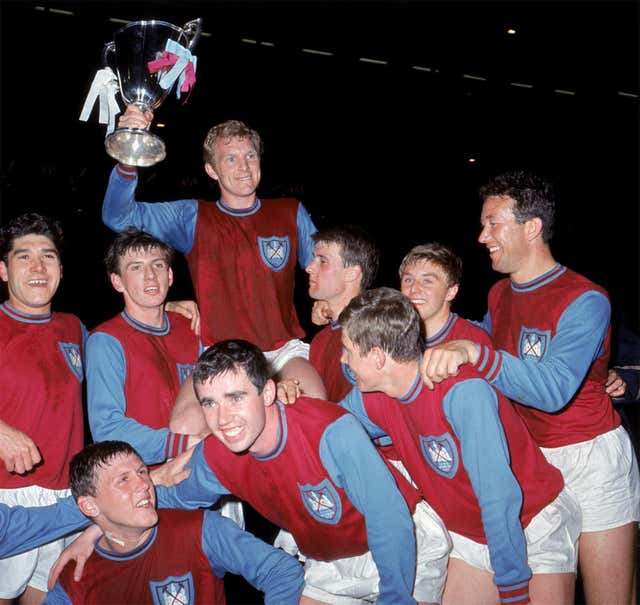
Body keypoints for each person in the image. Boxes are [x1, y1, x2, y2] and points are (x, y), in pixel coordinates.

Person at [420, 170, 640, 604]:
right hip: (531, 466)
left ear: (532, 227)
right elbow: (465, 341)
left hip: (591, 461)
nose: (482, 236)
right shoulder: (499, 295)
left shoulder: (586, 298)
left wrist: (475, 355)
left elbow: (553, 388)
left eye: (492, 223)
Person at [158, 339, 451, 605]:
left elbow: (388, 517)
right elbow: (170, 499)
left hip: (403, 543)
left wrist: (397, 597)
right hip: (329, 561)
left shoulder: (330, 431)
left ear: (268, 391)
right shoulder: (217, 457)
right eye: (210, 403)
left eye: (236, 397)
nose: (222, 419)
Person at [339, 287, 581, 605]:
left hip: (532, 523)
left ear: (377, 357)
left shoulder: (463, 393)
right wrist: (286, 397)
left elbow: (498, 496)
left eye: (347, 350)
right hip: (470, 535)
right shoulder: (370, 397)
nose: (343, 360)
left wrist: (513, 587)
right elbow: (323, 431)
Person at [102, 107, 325, 398]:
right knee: (185, 425)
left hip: (282, 352)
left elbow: (324, 268)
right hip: (222, 355)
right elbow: (118, 217)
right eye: (230, 158)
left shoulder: (290, 212)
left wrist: (325, 300)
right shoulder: (192, 217)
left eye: (250, 156)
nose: (243, 167)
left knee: (314, 406)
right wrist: (128, 155)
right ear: (211, 169)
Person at [43, 440, 304, 604]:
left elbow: (283, 572)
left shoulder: (200, 530)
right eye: (124, 480)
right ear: (89, 505)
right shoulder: (77, 576)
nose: (144, 485)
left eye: (142, 472)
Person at [0, 213, 86, 605]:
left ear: (61, 270)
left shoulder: (74, 329)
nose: (38, 267)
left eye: (48, 257)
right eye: (24, 256)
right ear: (3, 270)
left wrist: (168, 304)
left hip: (64, 497)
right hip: (6, 501)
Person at [87, 228, 207, 463]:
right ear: (117, 281)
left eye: (158, 265)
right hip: (151, 481)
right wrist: (181, 443)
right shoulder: (106, 341)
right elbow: (107, 429)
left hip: (206, 467)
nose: (150, 275)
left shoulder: (193, 326)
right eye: (136, 267)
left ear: (170, 275)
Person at [306, 224, 380, 401]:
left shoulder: (377, 332)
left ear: (352, 273)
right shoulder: (320, 340)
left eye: (323, 261)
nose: (309, 267)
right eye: (313, 259)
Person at [399, 242, 492, 348]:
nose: (414, 288)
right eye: (408, 280)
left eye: (427, 281)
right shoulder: (392, 335)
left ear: (451, 292)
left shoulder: (473, 342)